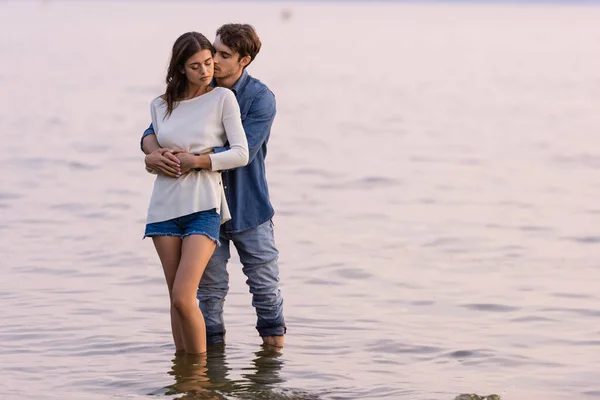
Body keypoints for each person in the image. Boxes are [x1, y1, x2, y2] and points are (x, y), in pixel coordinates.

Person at [142, 24, 286, 348]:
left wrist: (192, 158)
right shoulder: (197, 89)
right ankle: (208, 378)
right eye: (212, 53)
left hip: (248, 206)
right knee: (208, 293)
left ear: (243, 60)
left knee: (264, 286)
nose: (213, 62)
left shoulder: (259, 99)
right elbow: (154, 129)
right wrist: (152, 154)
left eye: (223, 55)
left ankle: (273, 369)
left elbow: (243, 152)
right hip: (203, 206)